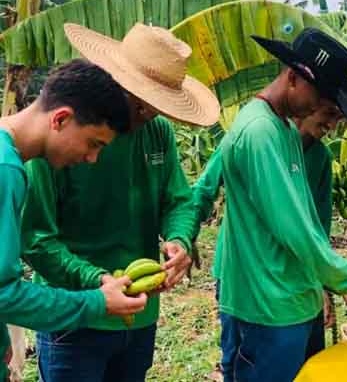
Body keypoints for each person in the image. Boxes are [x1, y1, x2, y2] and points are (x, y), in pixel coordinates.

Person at [21, 23, 221, 382]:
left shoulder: (157, 132)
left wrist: (179, 239)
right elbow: (37, 240)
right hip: (76, 317)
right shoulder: (57, 142)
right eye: (143, 105)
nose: (150, 115)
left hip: (140, 316)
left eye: (160, 108)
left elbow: (179, 200)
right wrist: (98, 282)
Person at [214, 27, 347, 382]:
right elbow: (294, 230)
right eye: (320, 96)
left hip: (291, 301)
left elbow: (310, 225)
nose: (319, 109)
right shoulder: (258, 133)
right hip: (265, 307)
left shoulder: (282, 131)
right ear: (294, 78)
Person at [0, 60, 148, 381]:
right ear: (61, 119)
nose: (92, 159)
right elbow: (3, 292)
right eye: (94, 143)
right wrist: (95, 303)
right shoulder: (7, 170)